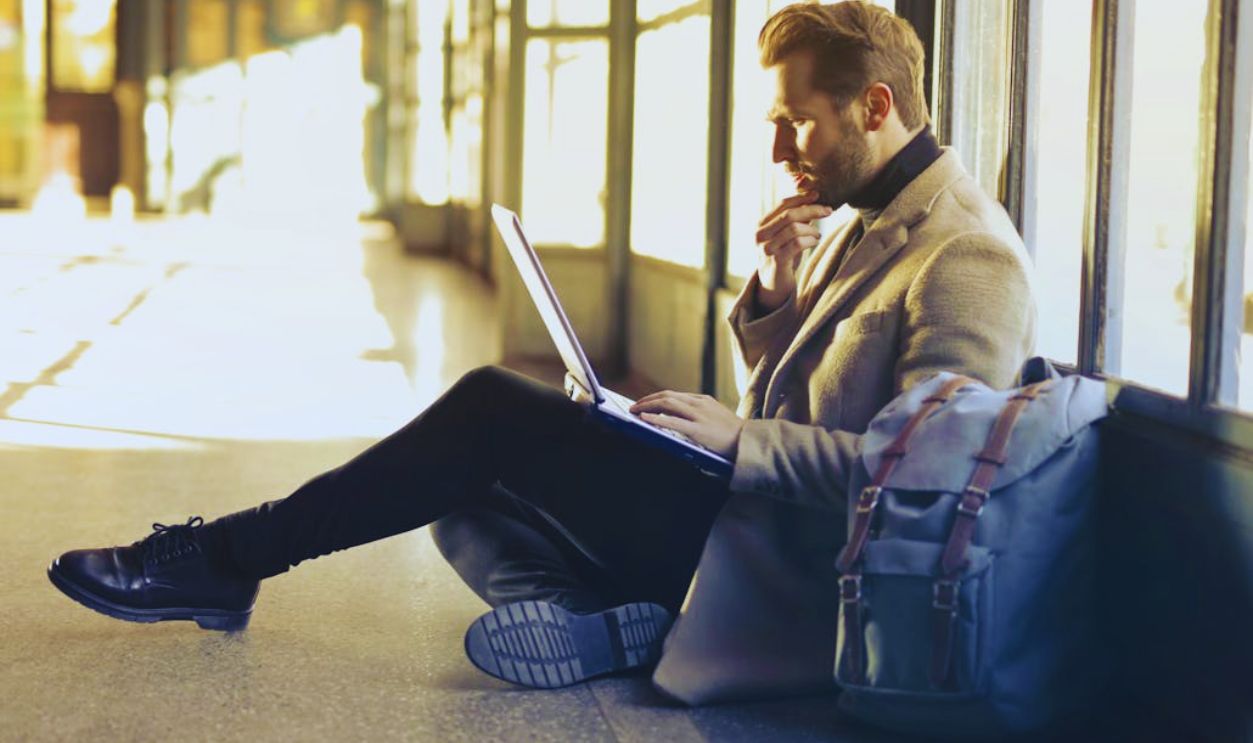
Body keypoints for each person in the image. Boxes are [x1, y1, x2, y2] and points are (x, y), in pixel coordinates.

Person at [47, 1, 1035, 695]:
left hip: (791, 570)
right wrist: (775, 300)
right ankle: (598, 620)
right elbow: (809, 404)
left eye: (797, 124)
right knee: (457, 487)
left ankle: (227, 555)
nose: (781, 152)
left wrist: (738, 443)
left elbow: (926, 489)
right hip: (739, 514)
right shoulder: (864, 214)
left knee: (487, 410)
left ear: (873, 106)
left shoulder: (966, 255)